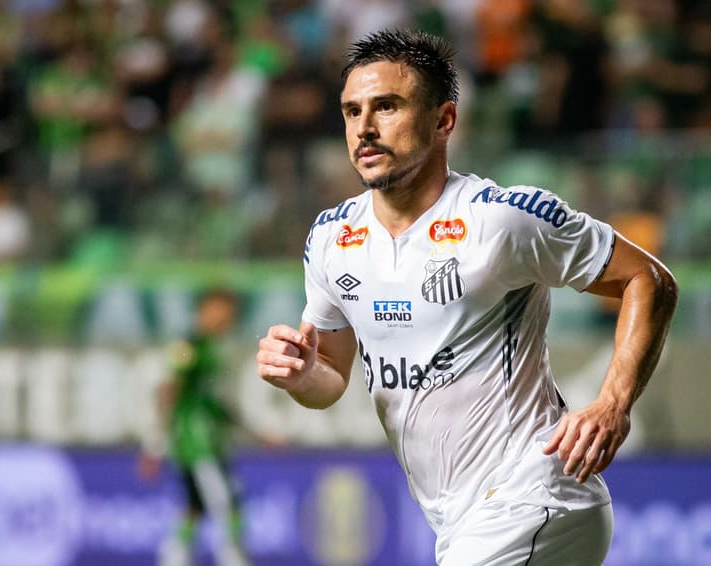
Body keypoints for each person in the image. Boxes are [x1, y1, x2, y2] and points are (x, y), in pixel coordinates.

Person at [256, 29, 678, 565]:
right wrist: (299, 376)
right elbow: (331, 379)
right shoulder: (332, 240)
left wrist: (613, 404)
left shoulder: (500, 220)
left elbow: (649, 279)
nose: (364, 127)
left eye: (387, 107)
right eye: (351, 111)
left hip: (535, 496)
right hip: (460, 520)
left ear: (444, 120)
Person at [142, 288, 248, 566]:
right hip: (196, 443)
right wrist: (155, 444)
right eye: (223, 310)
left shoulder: (214, 349)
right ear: (205, 310)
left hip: (211, 440)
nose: (229, 318)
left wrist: (255, 433)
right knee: (227, 502)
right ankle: (233, 558)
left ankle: (174, 557)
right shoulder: (189, 347)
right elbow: (168, 391)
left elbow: (216, 402)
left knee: (195, 506)